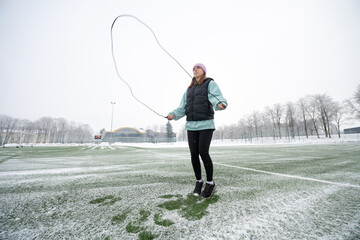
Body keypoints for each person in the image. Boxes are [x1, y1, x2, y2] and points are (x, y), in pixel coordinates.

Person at [167, 63, 227, 198]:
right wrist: (173, 115)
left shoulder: (209, 83)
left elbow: (217, 97)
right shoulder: (189, 90)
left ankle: (210, 183)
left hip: (206, 124)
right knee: (194, 154)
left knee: (203, 152)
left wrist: (220, 104)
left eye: (198, 68)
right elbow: (182, 108)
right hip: (191, 126)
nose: (195, 69)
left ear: (203, 71)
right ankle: (199, 182)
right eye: (194, 68)